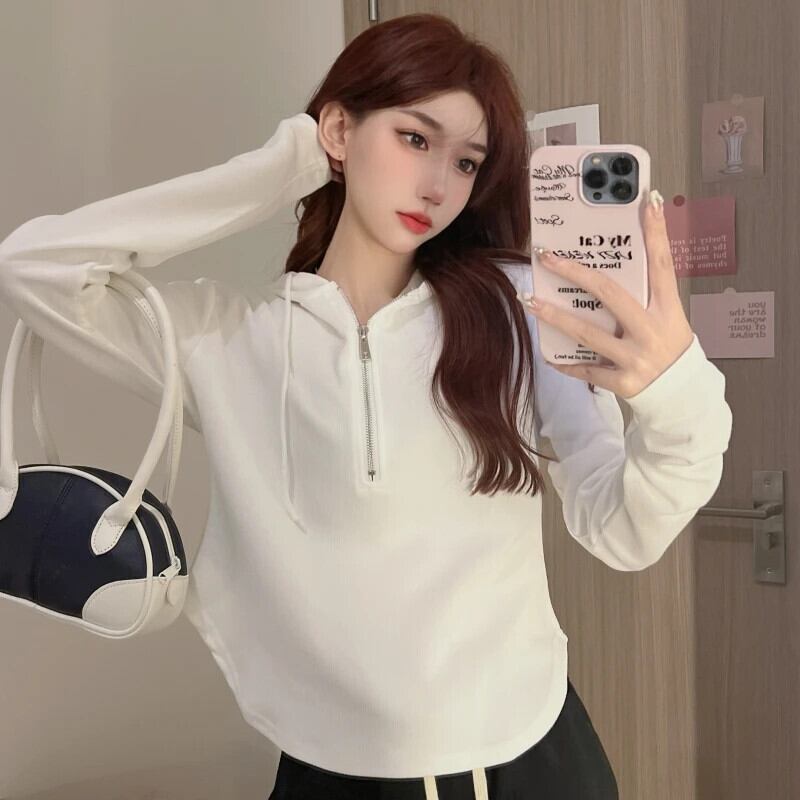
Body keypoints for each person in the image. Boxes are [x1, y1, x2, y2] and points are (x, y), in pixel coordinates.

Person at [0, 12, 731, 800]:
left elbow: (624, 531)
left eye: (467, 162)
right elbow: (33, 267)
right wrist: (287, 165)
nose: (438, 186)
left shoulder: (518, 312)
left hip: (523, 758)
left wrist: (673, 391)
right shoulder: (225, 337)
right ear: (340, 131)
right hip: (328, 768)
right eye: (415, 138)